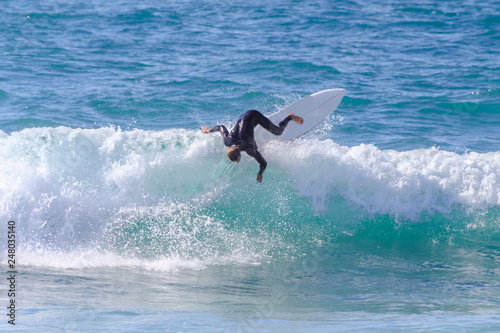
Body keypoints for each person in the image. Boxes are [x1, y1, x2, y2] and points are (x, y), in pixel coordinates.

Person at [202, 110, 303, 183]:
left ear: (239, 156)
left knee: (277, 132)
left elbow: (264, 163)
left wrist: (260, 173)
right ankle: (256, 144)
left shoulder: (249, 148)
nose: (238, 161)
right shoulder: (227, 141)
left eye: (237, 160)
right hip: (242, 116)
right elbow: (221, 127)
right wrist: (209, 131)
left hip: (254, 115)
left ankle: (290, 117)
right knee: (251, 142)